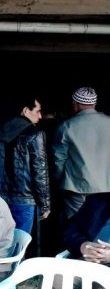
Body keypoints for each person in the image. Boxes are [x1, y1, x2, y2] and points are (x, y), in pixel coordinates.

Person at [0, 99, 50, 233]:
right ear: (25, 110)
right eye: (37, 111)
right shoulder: (35, 134)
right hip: (23, 200)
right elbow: (40, 171)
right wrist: (45, 204)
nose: (40, 116)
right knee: (20, 241)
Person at [52, 87, 110, 219]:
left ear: (75, 104)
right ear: (95, 103)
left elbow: (58, 161)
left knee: (76, 226)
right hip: (107, 188)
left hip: (77, 188)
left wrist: (62, 182)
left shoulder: (66, 126)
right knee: (103, 227)